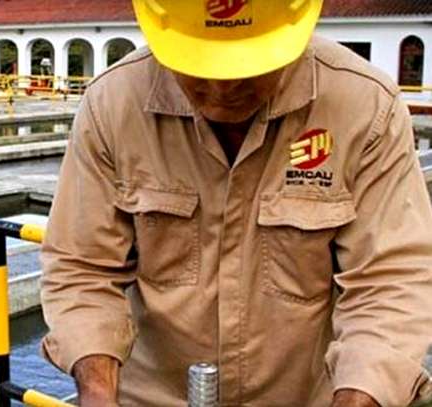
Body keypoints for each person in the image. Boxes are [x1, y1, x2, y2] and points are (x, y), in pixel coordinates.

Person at [40, 1, 432, 406]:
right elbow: (82, 267)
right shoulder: (112, 105)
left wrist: (357, 397)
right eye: (198, 66)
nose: (222, 89)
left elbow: (390, 283)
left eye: (248, 66)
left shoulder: (365, 108)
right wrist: (98, 392)